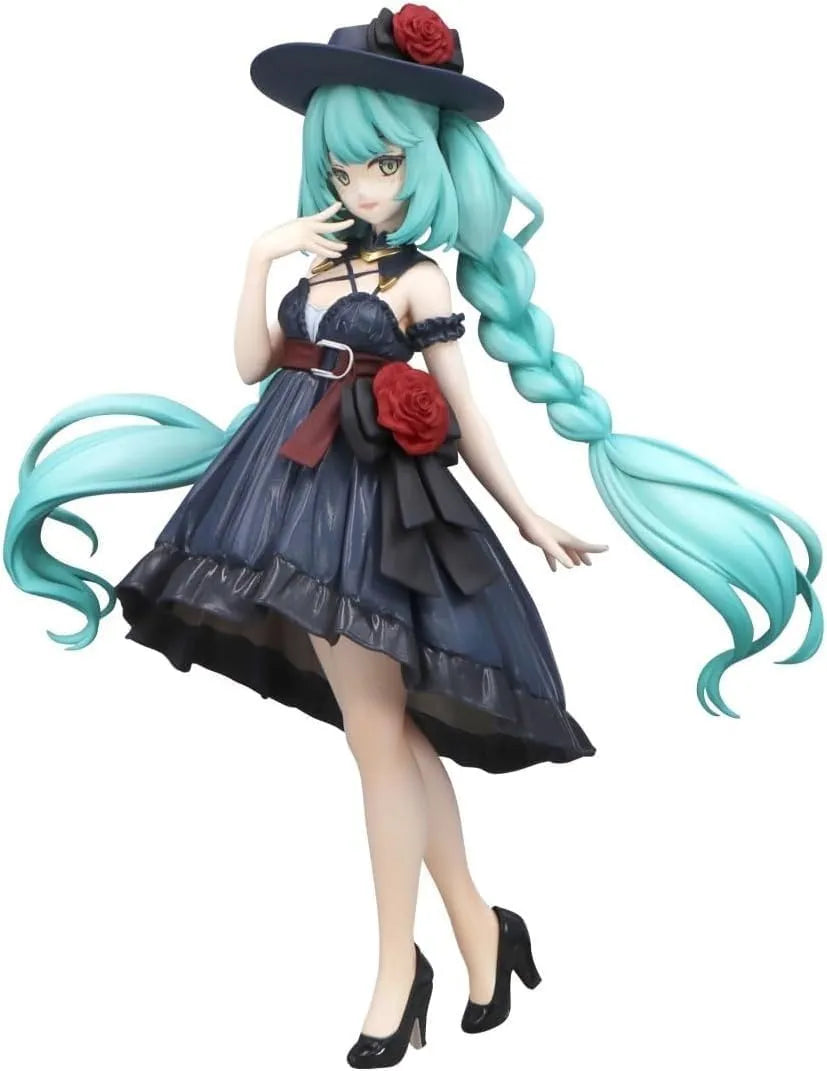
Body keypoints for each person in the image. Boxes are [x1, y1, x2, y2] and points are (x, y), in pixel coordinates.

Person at [3, 5, 821, 1067]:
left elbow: (465, 408)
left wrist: (525, 512)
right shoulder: (312, 269)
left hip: (378, 513)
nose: (362, 187)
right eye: (344, 169)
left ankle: (400, 970)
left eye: (383, 164)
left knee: (377, 734)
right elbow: (251, 369)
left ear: (424, 164)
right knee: (381, 732)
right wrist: (256, 259)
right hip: (285, 498)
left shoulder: (416, 278)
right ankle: (476, 928)